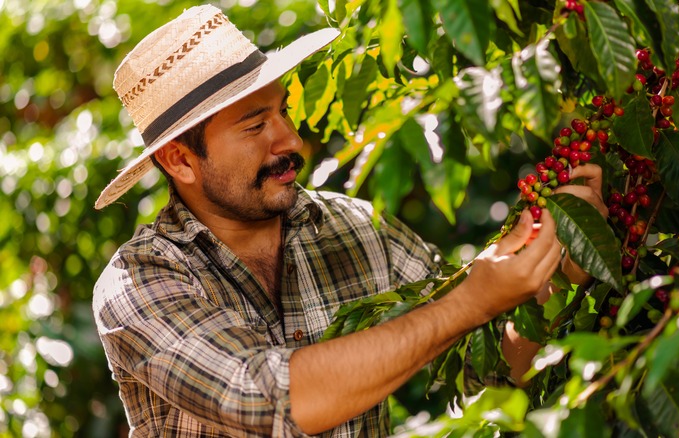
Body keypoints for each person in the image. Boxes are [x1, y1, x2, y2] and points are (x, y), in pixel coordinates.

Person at [92, 5, 606, 437]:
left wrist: (556, 277)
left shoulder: (356, 227)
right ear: (180, 161)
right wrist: (472, 299)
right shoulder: (139, 282)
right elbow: (271, 398)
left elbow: (484, 366)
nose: (291, 141)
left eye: (282, 113)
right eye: (255, 127)